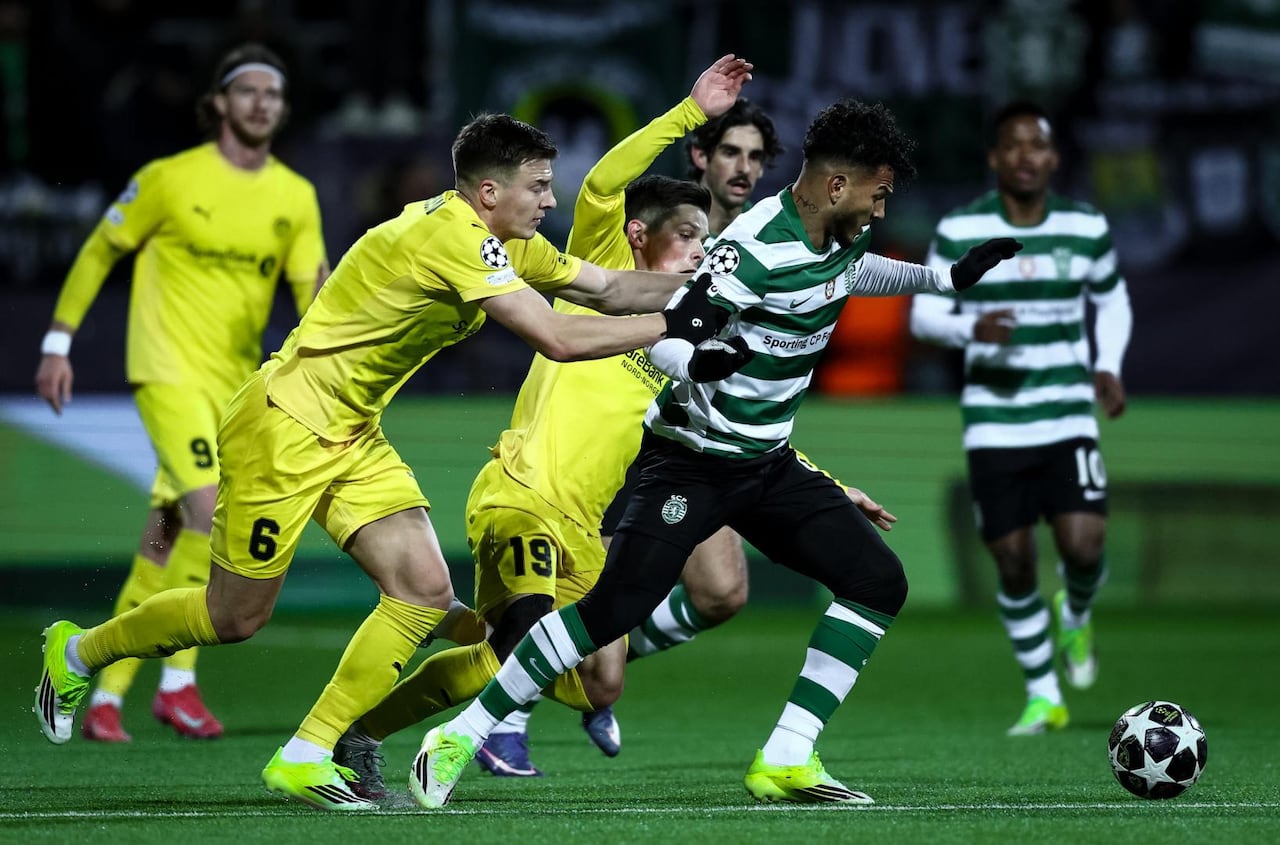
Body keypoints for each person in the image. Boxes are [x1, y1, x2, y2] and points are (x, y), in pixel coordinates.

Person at [34, 111, 738, 812]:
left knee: (424, 592)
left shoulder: (501, 244)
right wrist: (679, 324)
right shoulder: (453, 238)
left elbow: (607, 288)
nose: (551, 200)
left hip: (351, 432)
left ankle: (307, 753)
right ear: (489, 192)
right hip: (285, 425)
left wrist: (717, 292)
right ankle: (77, 653)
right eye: (539, 186)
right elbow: (557, 335)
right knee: (233, 617)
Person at [410, 99, 1024, 809]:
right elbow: (678, 327)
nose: (881, 210)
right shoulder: (753, 246)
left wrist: (946, 279)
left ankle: (787, 756)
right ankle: (461, 733)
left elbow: (855, 273)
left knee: (876, 581)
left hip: (766, 464)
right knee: (610, 611)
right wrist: (696, 362)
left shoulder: (841, 235)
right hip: (691, 462)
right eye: (877, 194)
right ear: (836, 185)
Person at [327, 55, 759, 792]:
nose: (698, 250)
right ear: (638, 237)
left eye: (703, 241)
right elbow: (602, 185)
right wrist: (690, 113)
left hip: (586, 527)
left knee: (600, 682)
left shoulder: (686, 333)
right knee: (516, 645)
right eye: (687, 236)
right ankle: (362, 732)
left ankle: (457, 633)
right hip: (523, 494)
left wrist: (822, 488)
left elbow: (728, 430)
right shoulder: (597, 265)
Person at [33, 44, 328, 743]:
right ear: (219, 102)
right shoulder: (168, 178)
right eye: (247, 90)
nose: (261, 102)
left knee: (163, 539)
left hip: (234, 389)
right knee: (209, 509)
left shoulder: (294, 195)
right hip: (165, 373)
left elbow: (314, 296)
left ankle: (105, 691)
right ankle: (178, 684)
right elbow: (101, 249)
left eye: (273, 93)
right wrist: (57, 343)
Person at [910, 100, 1132, 736]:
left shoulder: (1084, 225)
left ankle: (1077, 613)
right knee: (1011, 561)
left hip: (1067, 414)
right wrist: (970, 327)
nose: (1025, 156)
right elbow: (923, 314)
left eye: (1037, 145)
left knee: (1083, 547)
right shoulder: (962, 227)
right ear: (994, 157)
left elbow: (1112, 298)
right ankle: (1043, 695)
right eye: (1013, 145)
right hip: (994, 420)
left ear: (1054, 157)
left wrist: (1108, 365)